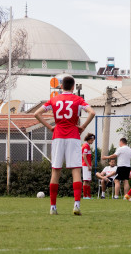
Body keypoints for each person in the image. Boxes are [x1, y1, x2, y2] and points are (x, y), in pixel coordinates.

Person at [33, 74, 96, 215]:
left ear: (61, 86)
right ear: (73, 87)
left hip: (58, 136)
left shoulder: (54, 99)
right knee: (76, 170)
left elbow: (36, 113)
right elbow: (92, 112)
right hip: (73, 136)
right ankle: (77, 205)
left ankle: (53, 207)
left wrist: (50, 127)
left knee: (55, 171)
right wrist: (83, 126)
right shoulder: (78, 100)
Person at [81, 133, 95, 199]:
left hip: (88, 165)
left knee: (88, 180)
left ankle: (88, 196)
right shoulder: (85, 146)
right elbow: (84, 156)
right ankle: (85, 196)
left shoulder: (87, 146)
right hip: (86, 165)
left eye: (93, 140)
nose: (92, 141)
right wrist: (88, 165)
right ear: (88, 139)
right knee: (86, 180)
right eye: (91, 140)